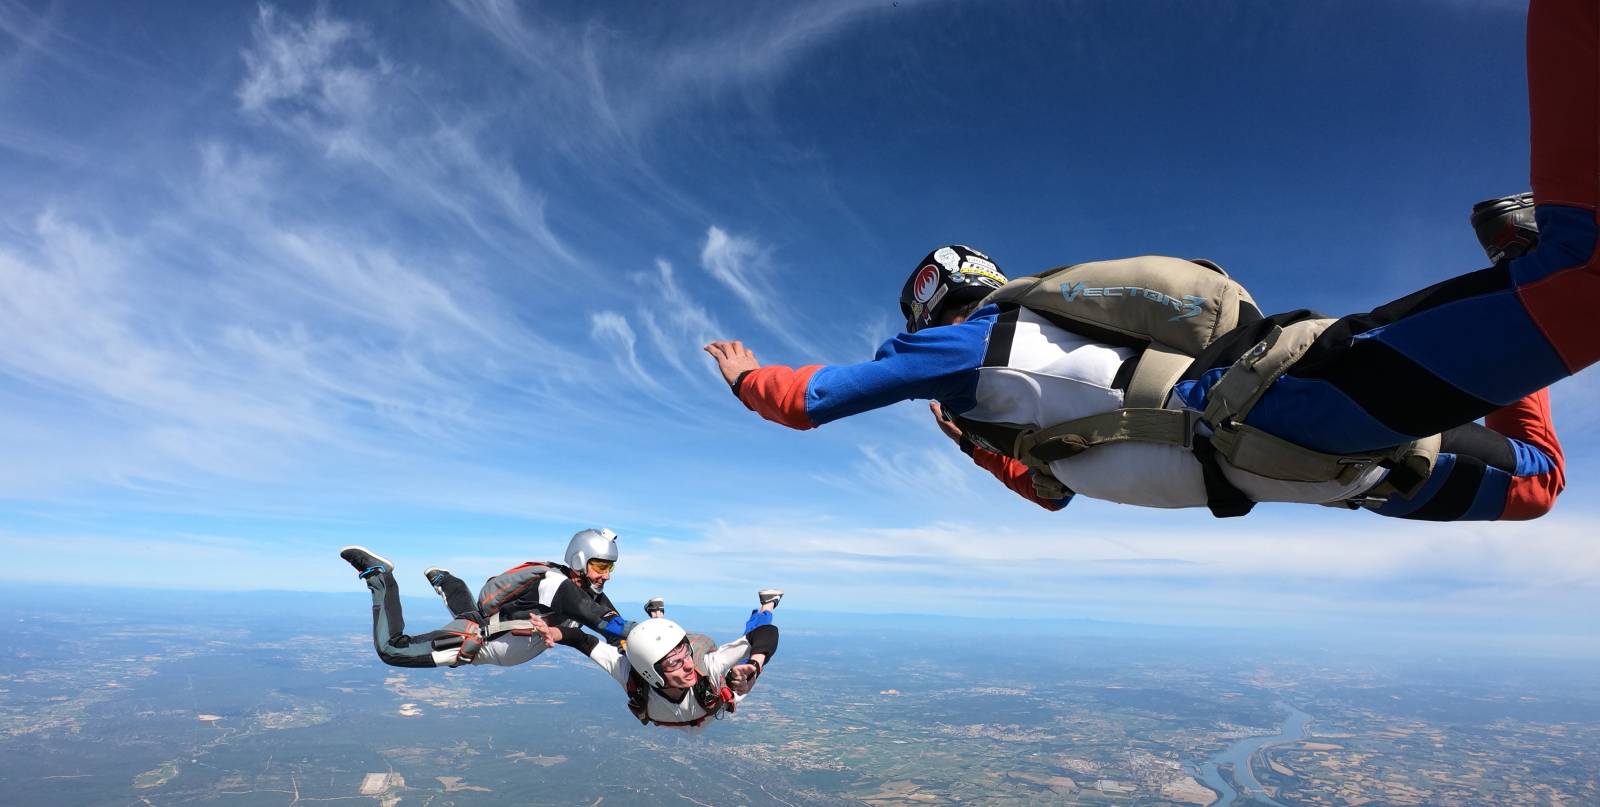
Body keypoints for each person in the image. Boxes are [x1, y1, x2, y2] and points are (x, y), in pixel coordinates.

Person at [705, 0, 1590, 522]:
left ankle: (1537, 247)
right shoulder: (998, 398)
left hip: (1299, 419)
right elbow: (1055, 492)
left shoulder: (963, 349)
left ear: (942, 305)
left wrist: (749, 380)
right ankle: (1525, 260)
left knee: (1579, 280)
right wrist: (978, 441)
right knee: (1541, 481)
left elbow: (815, 399)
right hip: (1316, 459)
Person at [338, 528, 637, 669]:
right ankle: (380, 577)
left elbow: (614, 627)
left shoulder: (589, 592)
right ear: (579, 560)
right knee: (392, 650)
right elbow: (600, 621)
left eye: (610, 567)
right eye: (600, 566)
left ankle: (447, 581)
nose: (606, 575)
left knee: (471, 614)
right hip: (477, 641)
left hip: (485, 633)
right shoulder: (556, 584)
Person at [568, 590, 783, 730]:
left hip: (703, 677)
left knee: (743, 666)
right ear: (651, 674)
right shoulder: (630, 672)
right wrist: (549, 631)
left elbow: (765, 633)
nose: (689, 665)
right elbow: (582, 640)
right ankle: (657, 617)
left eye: (686, 657)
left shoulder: (707, 668)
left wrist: (755, 665)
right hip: (694, 707)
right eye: (675, 664)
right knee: (627, 645)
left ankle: (767, 606)